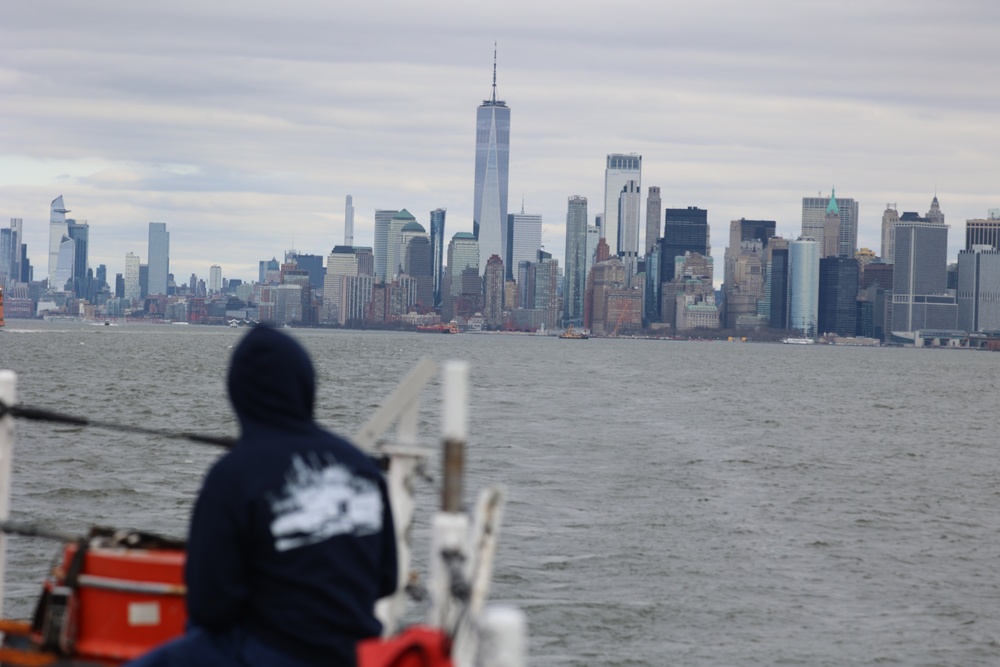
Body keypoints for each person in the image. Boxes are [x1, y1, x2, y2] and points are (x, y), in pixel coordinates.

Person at [128, 325, 398, 667]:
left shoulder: (234, 474)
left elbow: (210, 605)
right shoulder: (362, 467)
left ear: (238, 393)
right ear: (306, 384)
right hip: (354, 654)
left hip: (269, 653)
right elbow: (387, 579)